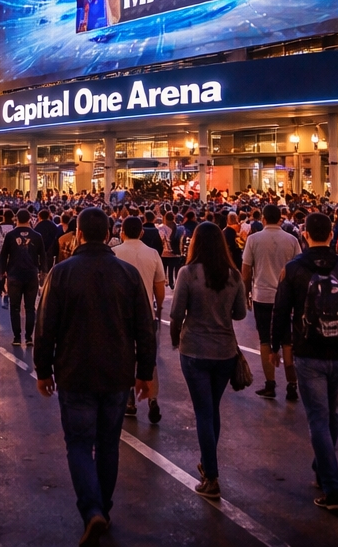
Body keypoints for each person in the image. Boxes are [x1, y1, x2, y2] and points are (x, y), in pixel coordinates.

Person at [34, 208, 157, 545]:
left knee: (78, 442)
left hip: (74, 370)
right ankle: (105, 506)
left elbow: (44, 327)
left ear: (78, 233)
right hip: (117, 372)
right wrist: (144, 372)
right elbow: (145, 329)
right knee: (108, 444)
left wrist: (43, 369)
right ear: (108, 234)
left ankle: (92, 510)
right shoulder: (128, 274)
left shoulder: (61, 273)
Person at [272, 211, 338, 512]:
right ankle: (322, 467)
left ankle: (331, 485)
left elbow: (281, 311)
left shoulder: (293, 269)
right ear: (332, 234)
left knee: (317, 416)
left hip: (308, 351)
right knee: (333, 413)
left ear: (305, 235)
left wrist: (277, 346)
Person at [168, 221, 247, 502]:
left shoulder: (188, 273)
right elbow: (240, 314)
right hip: (224, 350)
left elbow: (176, 313)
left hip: (195, 348)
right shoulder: (233, 275)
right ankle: (208, 463)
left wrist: (175, 338)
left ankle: (211, 475)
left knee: (203, 411)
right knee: (212, 408)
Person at [240, 204, 300, 401]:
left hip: (262, 296)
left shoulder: (253, 239)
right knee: (287, 340)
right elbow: (298, 269)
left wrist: (246, 294)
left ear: (263, 219)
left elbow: (246, 271)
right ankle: (292, 385)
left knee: (265, 339)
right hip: (287, 297)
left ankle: (270, 384)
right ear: (280, 219)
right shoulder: (291, 240)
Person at [113, 214, 165, 423]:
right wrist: (157, 308)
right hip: (146, 314)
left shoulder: (114, 253)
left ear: (121, 232)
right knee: (148, 357)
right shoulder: (152, 254)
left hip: (120, 315)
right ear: (142, 232)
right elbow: (159, 287)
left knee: (124, 357)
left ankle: (129, 400)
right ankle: (152, 399)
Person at [1, 210, 44, 347]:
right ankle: (29, 337)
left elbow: (3, 255)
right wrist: (43, 271)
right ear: (30, 219)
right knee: (30, 307)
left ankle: (17, 337)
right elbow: (42, 255)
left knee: (15, 307)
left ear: (16, 219)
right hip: (31, 274)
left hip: (14, 274)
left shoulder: (10, 235)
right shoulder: (37, 236)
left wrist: (3, 271)